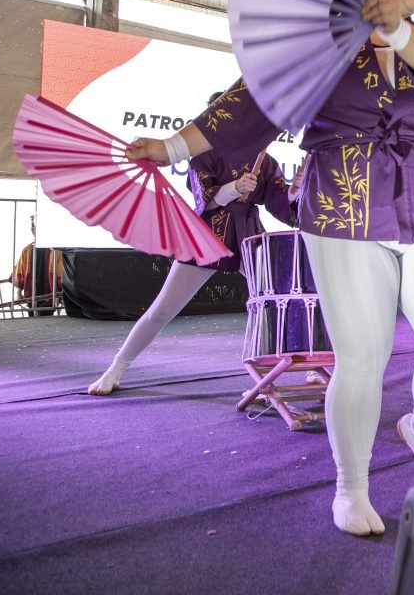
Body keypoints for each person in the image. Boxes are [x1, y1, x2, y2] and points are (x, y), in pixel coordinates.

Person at [128, 0, 414, 538]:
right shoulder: (317, 50)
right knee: (363, 355)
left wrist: (395, 26)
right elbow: (245, 105)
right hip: (340, 204)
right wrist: (168, 148)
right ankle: (352, 487)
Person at [88, 94, 297, 396]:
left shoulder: (265, 161)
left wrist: (295, 191)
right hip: (207, 237)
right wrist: (231, 189)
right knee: (162, 309)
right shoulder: (204, 155)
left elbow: (281, 203)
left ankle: (276, 375)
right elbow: (203, 200)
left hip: (250, 236)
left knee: (270, 304)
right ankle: (116, 368)